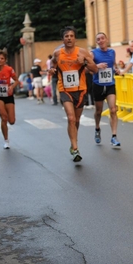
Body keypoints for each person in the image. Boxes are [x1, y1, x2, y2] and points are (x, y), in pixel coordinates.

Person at [50, 26, 98, 162]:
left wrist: (85, 62)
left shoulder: (82, 52)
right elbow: (53, 65)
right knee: (71, 118)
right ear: (63, 39)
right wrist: (52, 70)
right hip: (64, 90)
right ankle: (75, 149)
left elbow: (94, 69)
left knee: (76, 120)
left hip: (80, 89)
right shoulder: (57, 53)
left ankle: (73, 142)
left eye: (71, 36)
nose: (69, 38)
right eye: (66, 36)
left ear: (75, 38)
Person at [90, 32, 121, 147]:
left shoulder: (112, 52)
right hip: (98, 85)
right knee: (98, 111)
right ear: (97, 42)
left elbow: (113, 64)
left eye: (103, 38)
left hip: (110, 84)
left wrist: (117, 70)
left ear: (106, 39)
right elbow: (88, 67)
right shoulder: (93, 53)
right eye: (98, 39)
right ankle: (97, 128)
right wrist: (96, 66)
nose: (101, 40)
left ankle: (114, 136)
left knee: (113, 109)